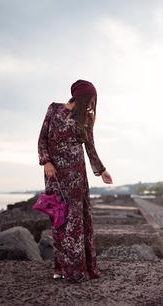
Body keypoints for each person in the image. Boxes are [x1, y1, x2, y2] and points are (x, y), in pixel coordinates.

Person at [37, 79, 113, 283]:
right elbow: (42, 138)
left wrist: (102, 170)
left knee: (75, 223)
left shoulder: (86, 118)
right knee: (58, 220)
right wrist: (46, 162)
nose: (91, 104)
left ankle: (77, 269)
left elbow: (90, 148)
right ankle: (60, 267)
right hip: (54, 176)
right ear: (80, 96)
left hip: (76, 176)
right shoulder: (53, 109)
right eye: (89, 99)